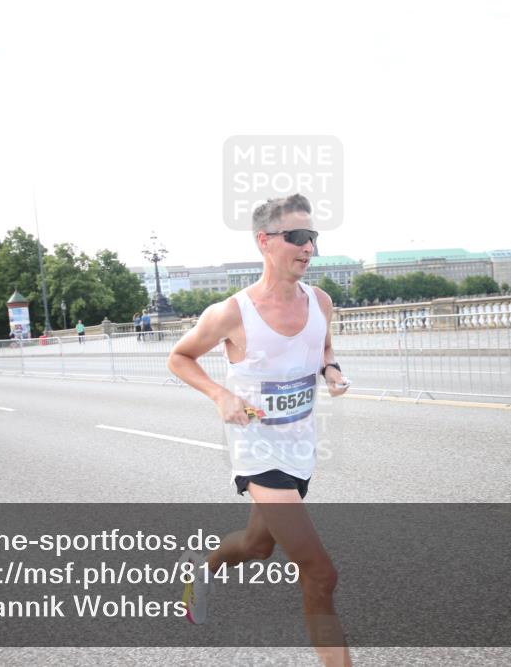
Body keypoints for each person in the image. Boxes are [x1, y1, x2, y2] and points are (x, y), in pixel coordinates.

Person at [167, 193, 351, 666]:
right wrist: (221, 395)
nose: (309, 248)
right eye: (298, 237)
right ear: (265, 242)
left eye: (312, 238)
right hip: (257, 448)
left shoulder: (321, 302)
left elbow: (324, 346)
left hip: (301, 447)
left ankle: (199, 568)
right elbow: (179, 357)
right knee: (320, 573)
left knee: (257, 545)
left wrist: (330, 370)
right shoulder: (232, 312)